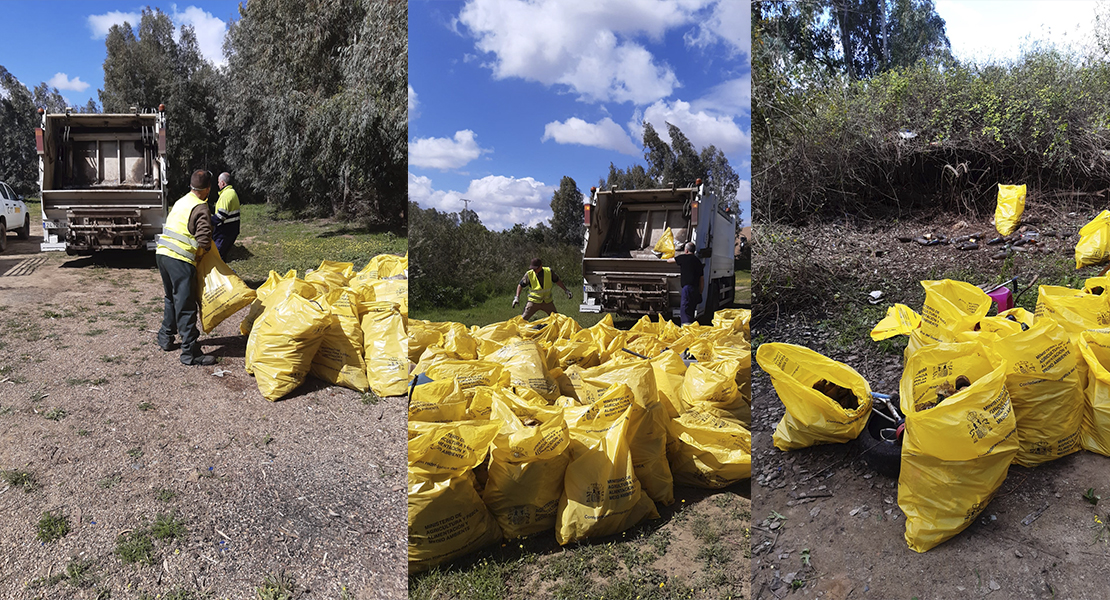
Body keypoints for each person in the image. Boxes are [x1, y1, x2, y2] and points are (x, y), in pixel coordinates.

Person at [155, 169, 218, 366]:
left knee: (171, 299)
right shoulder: (201, 207)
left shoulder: (182, 201)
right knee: (186, 305)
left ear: (191, 186)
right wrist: (204, 254)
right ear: (208, 189)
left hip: (163, 254)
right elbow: (203, 239)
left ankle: (165, 338)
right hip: (180, 260)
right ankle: (190, 353)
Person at [668, 242, 704, 325]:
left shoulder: (683, 258)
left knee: (685, 310)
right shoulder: (698, 261)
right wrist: (700, 292)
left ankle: (686, 330)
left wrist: (669, 254)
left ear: (686, 250)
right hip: (695, 289)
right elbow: (701, 279)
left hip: (687, 288)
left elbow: (669, 261)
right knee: (691, 309)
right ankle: (691, 328)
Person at [212, 172, 240, 259]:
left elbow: (221, 216)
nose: (218, 184)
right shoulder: (231, 192)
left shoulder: (226, 195)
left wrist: (206, 220)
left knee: (216, 257)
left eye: (218, 182)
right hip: (231, 230)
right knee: (221, 257)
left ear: (223, 183)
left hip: (225, 232)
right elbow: (223, 210)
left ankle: (220, 272)